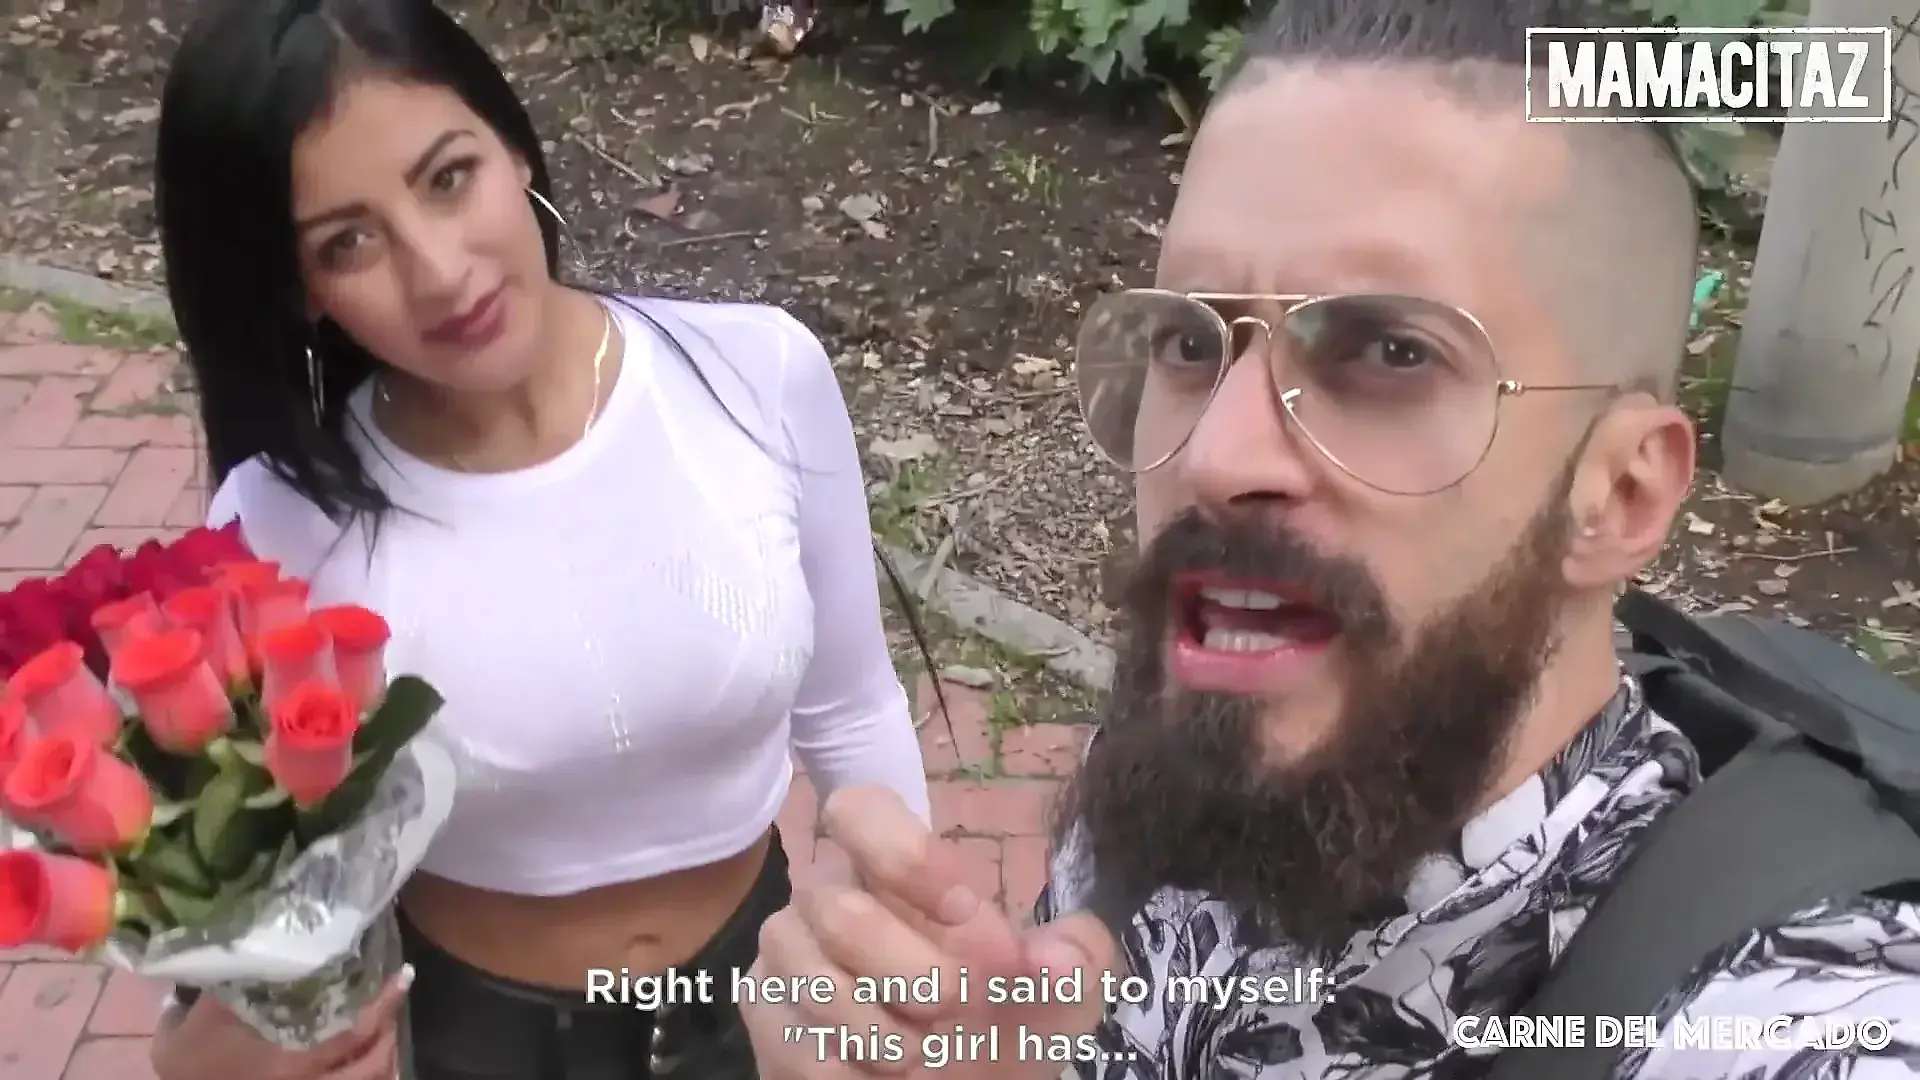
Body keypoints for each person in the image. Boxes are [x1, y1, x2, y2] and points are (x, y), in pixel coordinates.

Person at [740, 1, 1920, 1077]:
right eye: (1191, 344)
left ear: (1618, 495)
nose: (1217, 457)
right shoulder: (1198, 748)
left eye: (1390, 353)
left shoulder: (1793, 1027)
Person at [146, 0, 931, 1077]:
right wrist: (197, 1048)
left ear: (513, 147)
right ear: (300, 292)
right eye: (348, 241)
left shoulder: (757, 376)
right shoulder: (278, 523)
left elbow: (852, 713)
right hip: (478, 1042)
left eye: (448, 177)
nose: (439, 270)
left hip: (763, 1007)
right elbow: (238, 869)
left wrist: (912, 946)